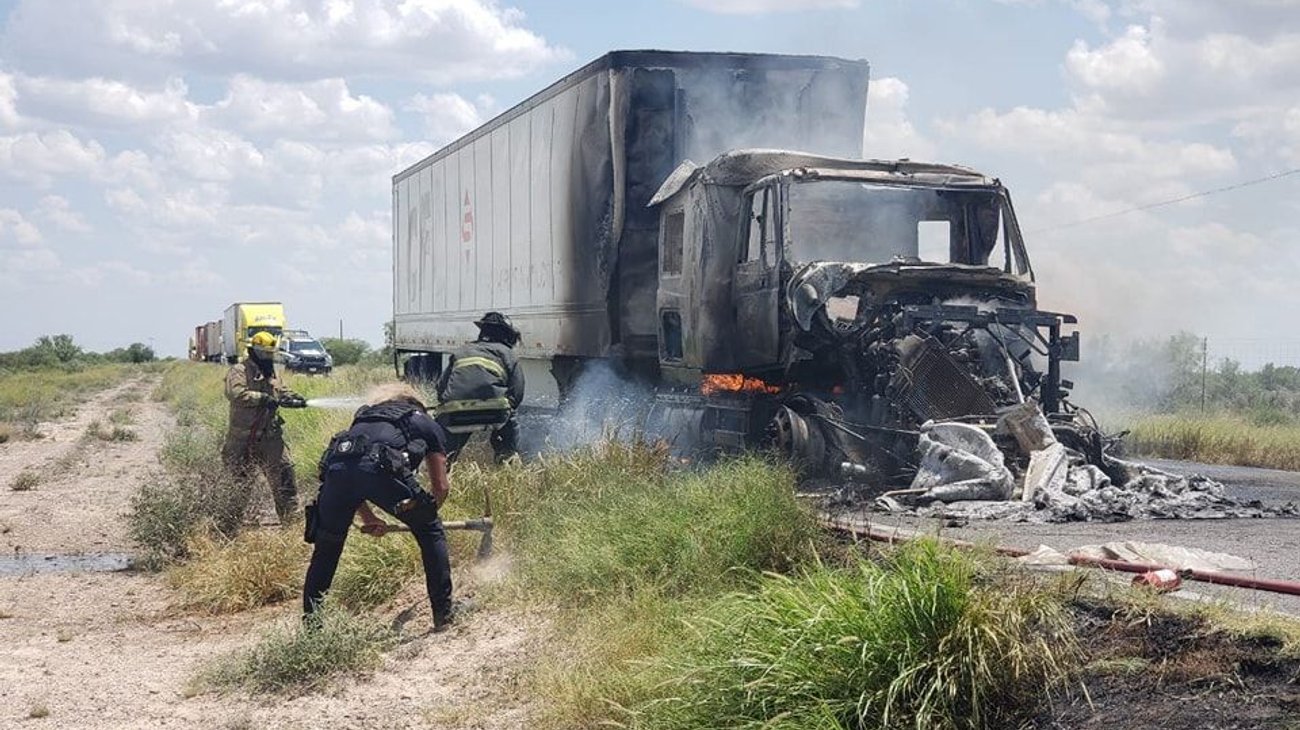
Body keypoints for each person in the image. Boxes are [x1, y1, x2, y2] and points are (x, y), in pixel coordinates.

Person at [303, 384, 457, 631]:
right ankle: (444, 616)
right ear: (415, 404)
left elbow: (352, 468)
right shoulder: (424, 422)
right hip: (378, 472)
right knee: (431, 532)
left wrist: (368, 517)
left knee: (327, 549)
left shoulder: (363, 417)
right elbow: (441, 486)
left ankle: (312, 629)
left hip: (336, 476)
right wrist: (424, 516)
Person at [222, 331, 305, 524]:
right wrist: (263, 399)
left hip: (271, 439)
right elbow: (236, 394)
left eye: (271, 353)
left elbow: (279, 389)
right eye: (265, 353)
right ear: (255, 351)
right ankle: (229, 526)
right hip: (242, 440)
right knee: (238, 485)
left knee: (284, 478)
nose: (269, 357)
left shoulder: (270, 371)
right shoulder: (239, 370)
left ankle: (291, 523)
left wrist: (292, 398)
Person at [435, 311, 525, 463]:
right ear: (505, 334)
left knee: (445, 452)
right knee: (510, 428)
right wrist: (504, 409)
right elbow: (517, 394)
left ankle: (441, 468)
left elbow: (441, 387)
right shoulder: (509, 354)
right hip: (495, 414)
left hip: (455, 413)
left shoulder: (461, 351)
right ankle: (507, 461)